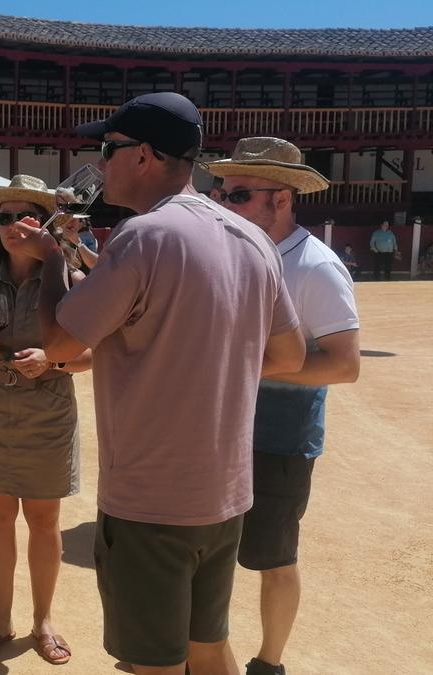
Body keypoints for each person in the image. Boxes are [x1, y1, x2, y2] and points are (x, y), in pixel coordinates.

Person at [16, 92, 306, 675]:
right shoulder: (252, 239)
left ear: (143, 155)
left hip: (150, 499)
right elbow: (290, 355)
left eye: (109, 149)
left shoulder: (143, 237)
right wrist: (203, 359)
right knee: (207, 649)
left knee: (154, 663)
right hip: (224, 493)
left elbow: (59, 344)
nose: (102, 162)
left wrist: (50, 258)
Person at [207, 137, 361, 675]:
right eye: (221, 193)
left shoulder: (315, 267)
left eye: (239, 194)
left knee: (274, 557)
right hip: (218, 432)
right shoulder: (228, 255)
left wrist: (249, 368)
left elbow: (345, 365)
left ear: (283, 199)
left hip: (280, 436)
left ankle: (269, 663)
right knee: (210, 556)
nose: (223, 204)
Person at [0, 174, 92, 666]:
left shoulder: (69, 280)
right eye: (5, 217)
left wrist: (53, 361)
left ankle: (42, 621)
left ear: (46, 223)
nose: (13, 226)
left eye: (24, 217)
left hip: (47, 409)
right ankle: (1, 619)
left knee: (44, 521)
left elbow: (91, 354)